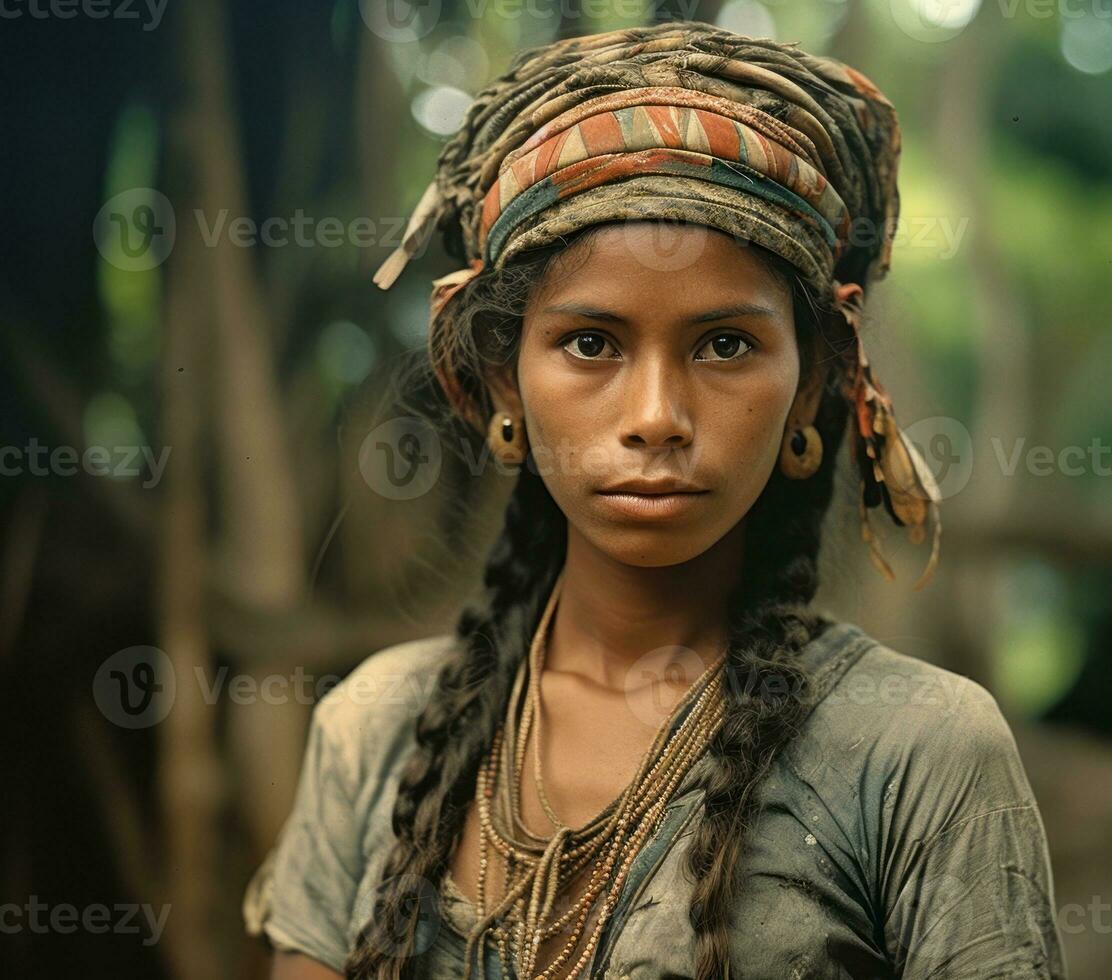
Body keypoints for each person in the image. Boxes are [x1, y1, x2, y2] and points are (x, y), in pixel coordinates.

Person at [243, 20, 1068, 980]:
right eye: (591, 343)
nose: (656, 416)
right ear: (505, 385)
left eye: (724, 345)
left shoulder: (920, 752)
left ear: (809, 388)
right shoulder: (374, 728)